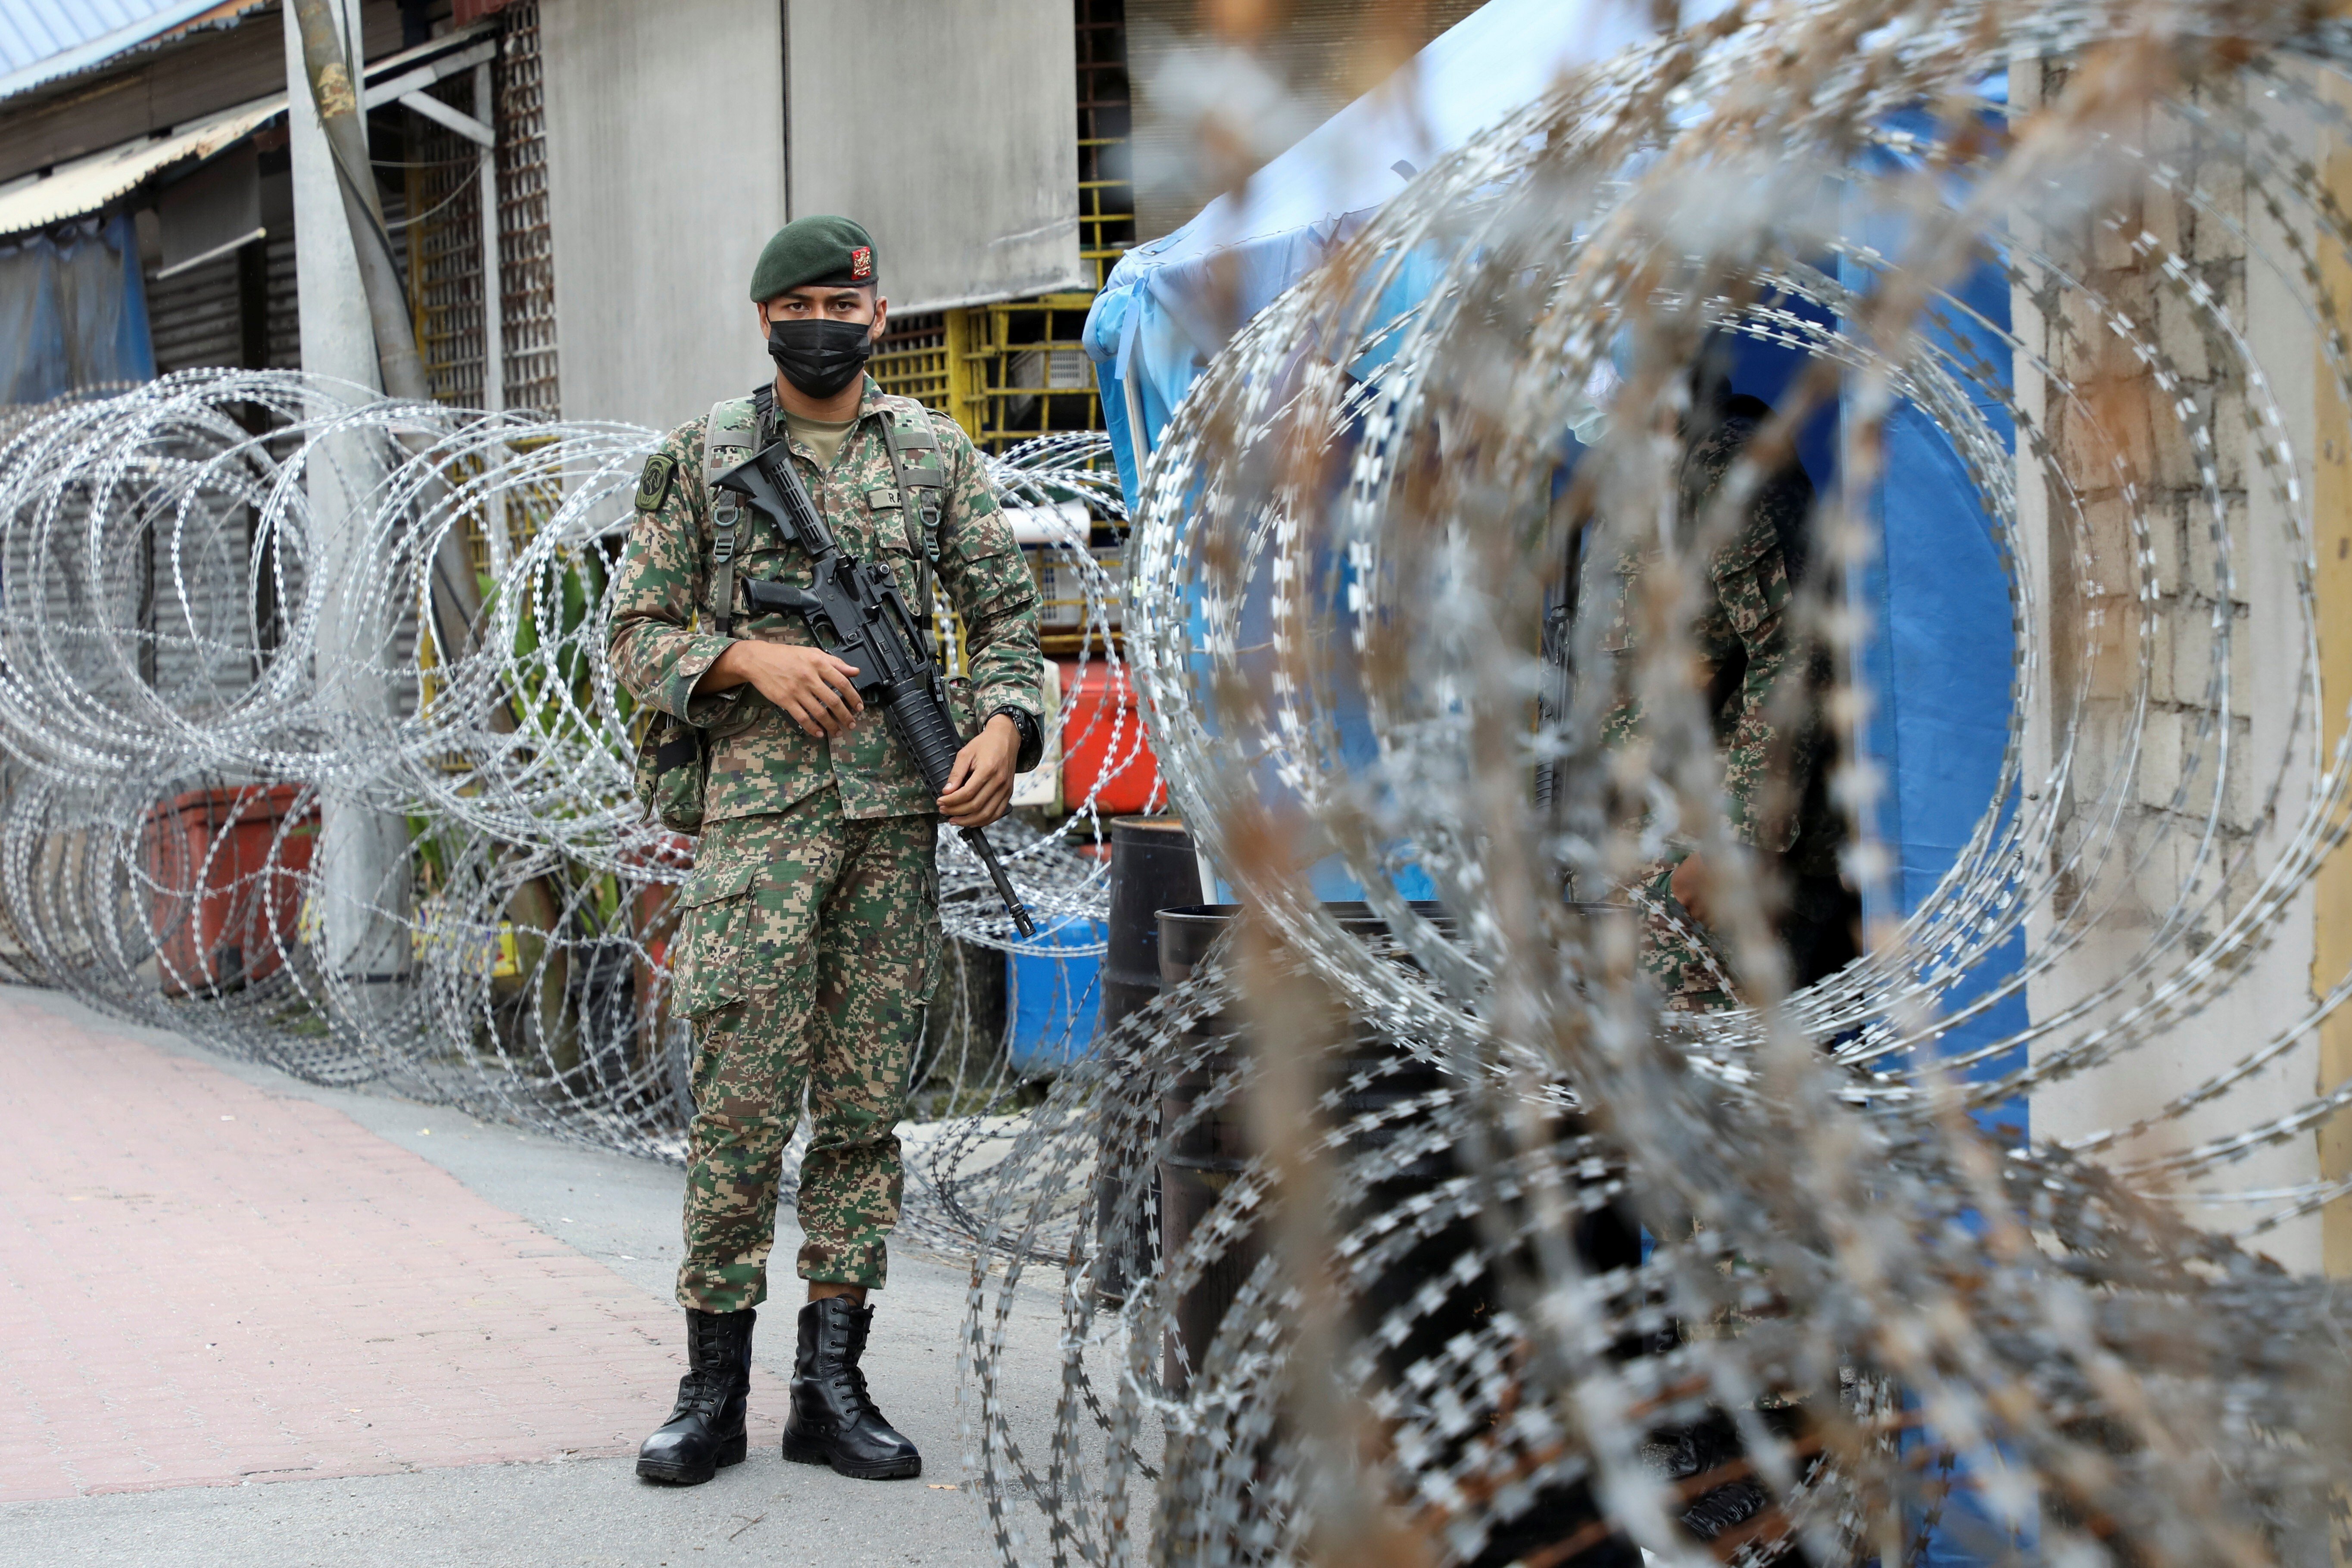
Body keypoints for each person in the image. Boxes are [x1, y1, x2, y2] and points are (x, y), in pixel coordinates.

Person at [608, 215, 1043, 1485]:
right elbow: (633, 633)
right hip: (760, 839)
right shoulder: (705, 457)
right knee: (741, 1109)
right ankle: (709, 1392)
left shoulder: (932, 459)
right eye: (796, 301)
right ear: (763, 318)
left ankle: (830, 1386)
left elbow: (1006, 618)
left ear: (876, 316)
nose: (820, 322)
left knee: (863, 1114)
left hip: (892, 837)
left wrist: (1005, 729)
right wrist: (748, 655)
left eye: (839, 303)